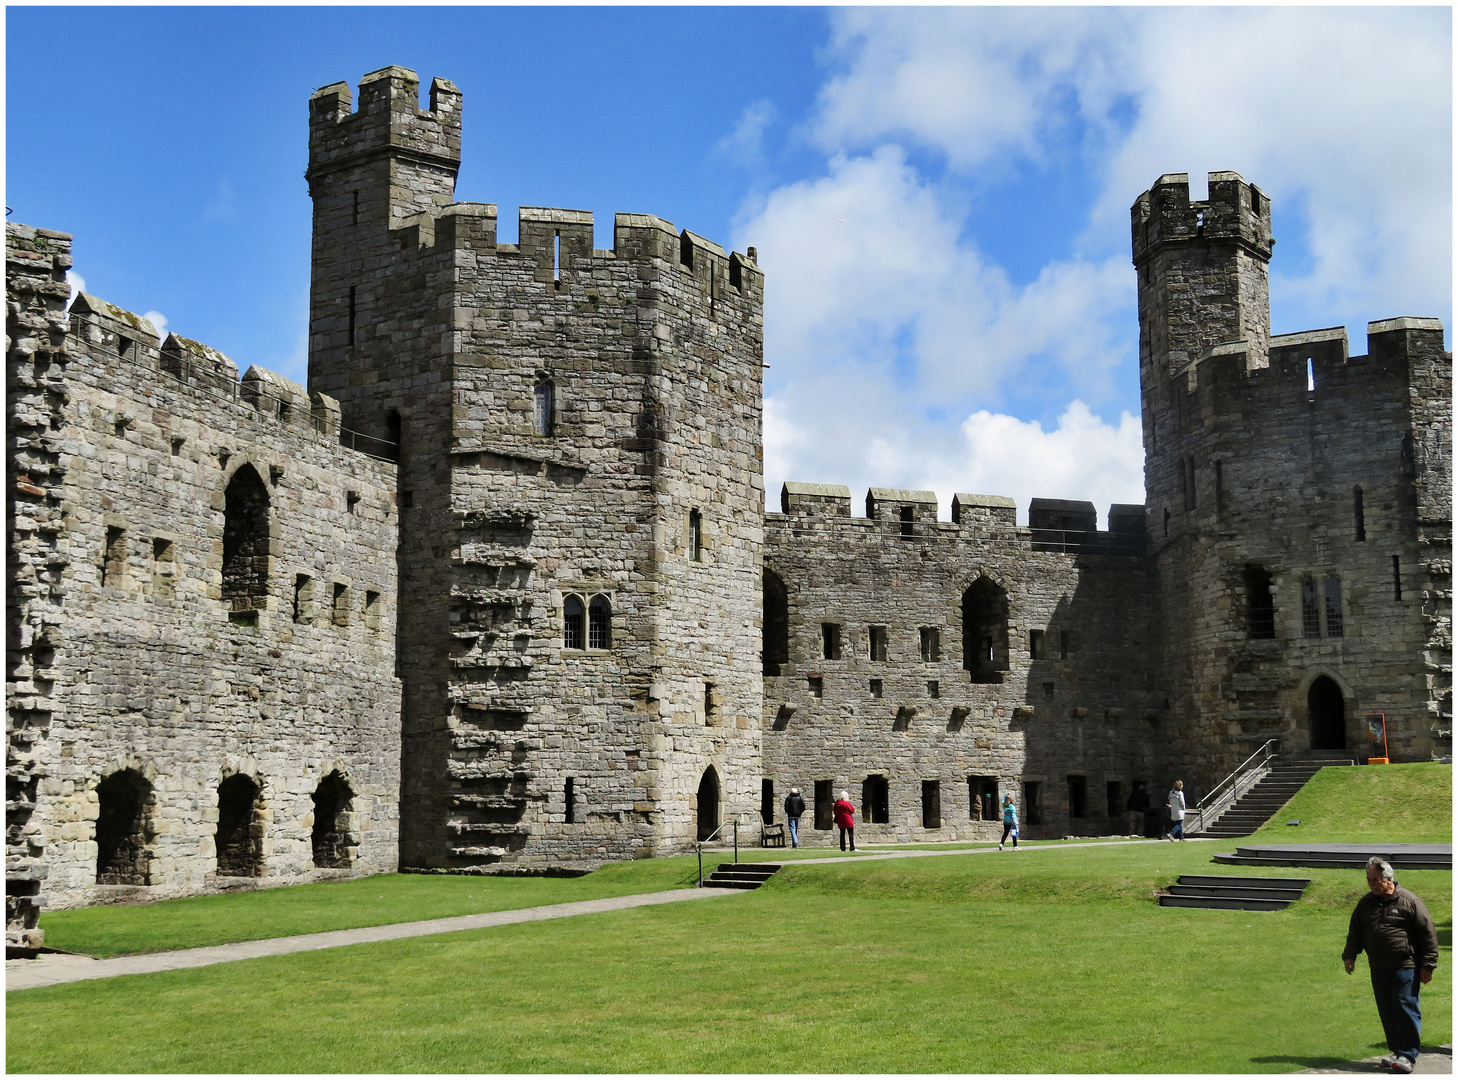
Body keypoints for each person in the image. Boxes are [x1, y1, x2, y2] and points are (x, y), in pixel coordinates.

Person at [1342, 857, 1439, 1074]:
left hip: (1406, 966)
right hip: (1378, 966)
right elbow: (1356, 931)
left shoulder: (1409, 901)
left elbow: (1428, 934)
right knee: (1387, 1011)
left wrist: (1428, 965)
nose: (1372, 884)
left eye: (1376, 879)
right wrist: (1350, 956)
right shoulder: (1366, 903)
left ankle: (1407, 1055)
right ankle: (1397, 1051)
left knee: (1405, 1007)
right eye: (1369, 880)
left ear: (1388, 879)